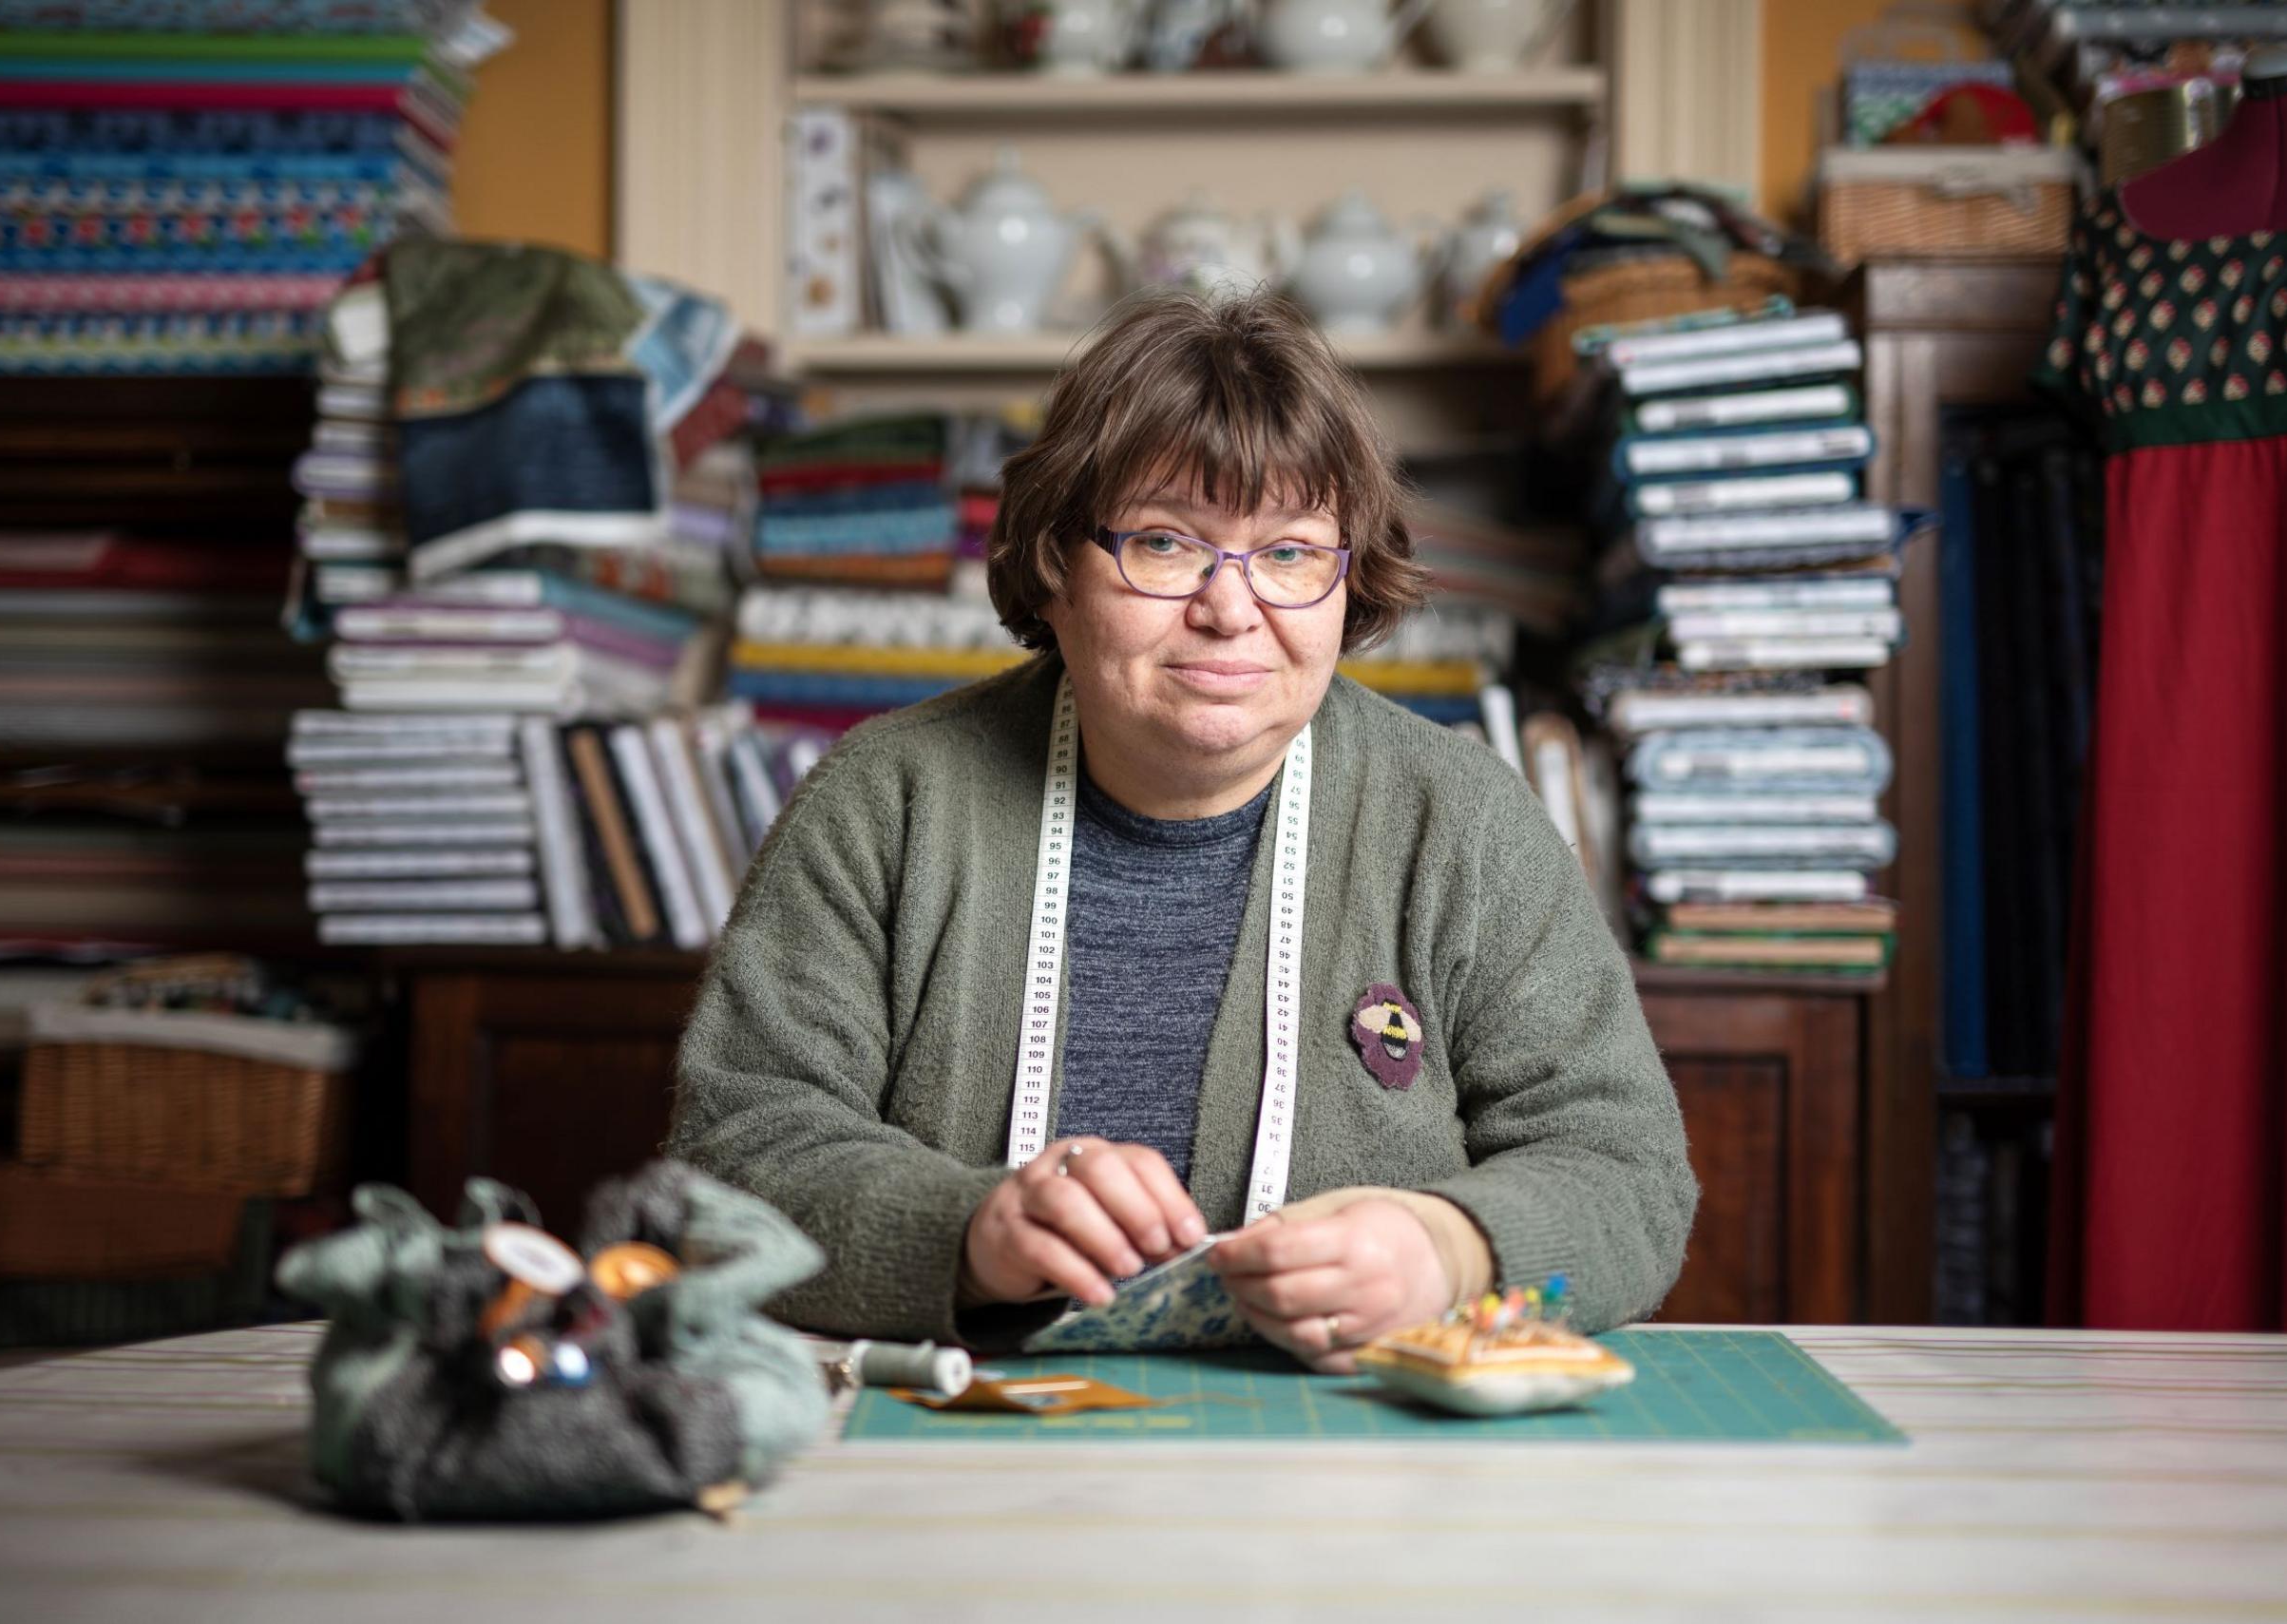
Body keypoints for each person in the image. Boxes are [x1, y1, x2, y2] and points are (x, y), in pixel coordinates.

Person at [669, 288, 1694, 1370]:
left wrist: (1448, 1248)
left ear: (1350, 582)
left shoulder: (1465, 823)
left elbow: (1624, 1168)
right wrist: (966, 1230)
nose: (1229, 607)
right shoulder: (885, 800)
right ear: (1058, 562)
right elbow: (733, 1150)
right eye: (1164, 542)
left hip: (1367, 1474)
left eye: (1292, 552)